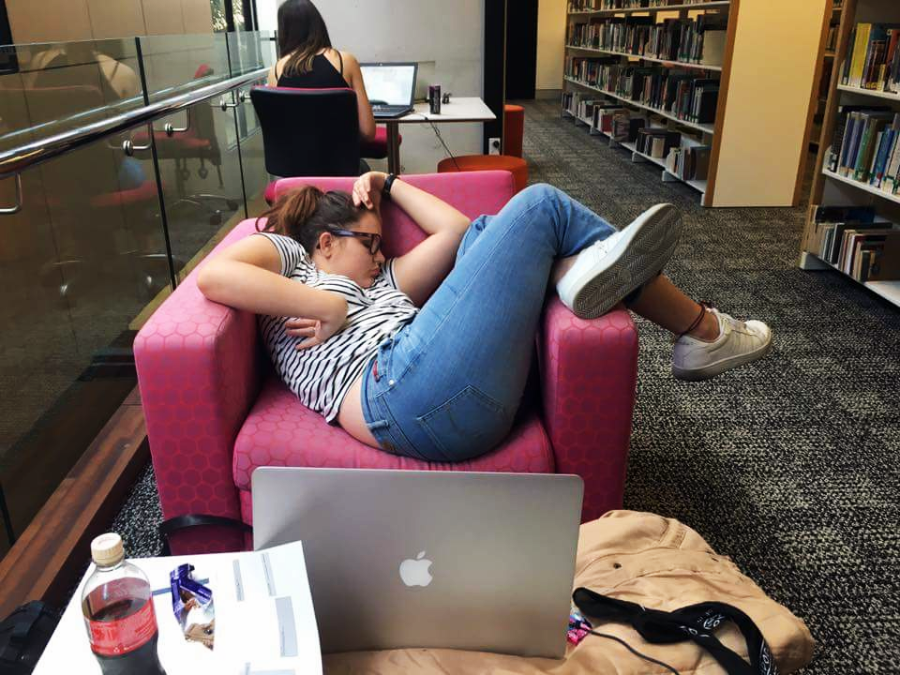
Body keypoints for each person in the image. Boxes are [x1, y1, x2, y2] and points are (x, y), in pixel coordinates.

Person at [198, 174, 772, 462]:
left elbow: (453, 231)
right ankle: (698, 328)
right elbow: (215, 277)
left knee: (481, 233)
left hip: (440, 385)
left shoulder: (387, 280)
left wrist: (391, 184)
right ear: (325, 242)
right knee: (540, 204)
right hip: (394, 394)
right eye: (369, 244)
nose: (380, 255)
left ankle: (574, 272)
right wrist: (330, 303)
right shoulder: (295, 262)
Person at [267, 0, 376, 142]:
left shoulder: (275, 71)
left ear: (284, 31)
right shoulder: (345, 61)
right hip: (341, 163)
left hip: (293, 163)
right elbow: (368, 132)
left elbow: (279, 132)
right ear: (317, 25)